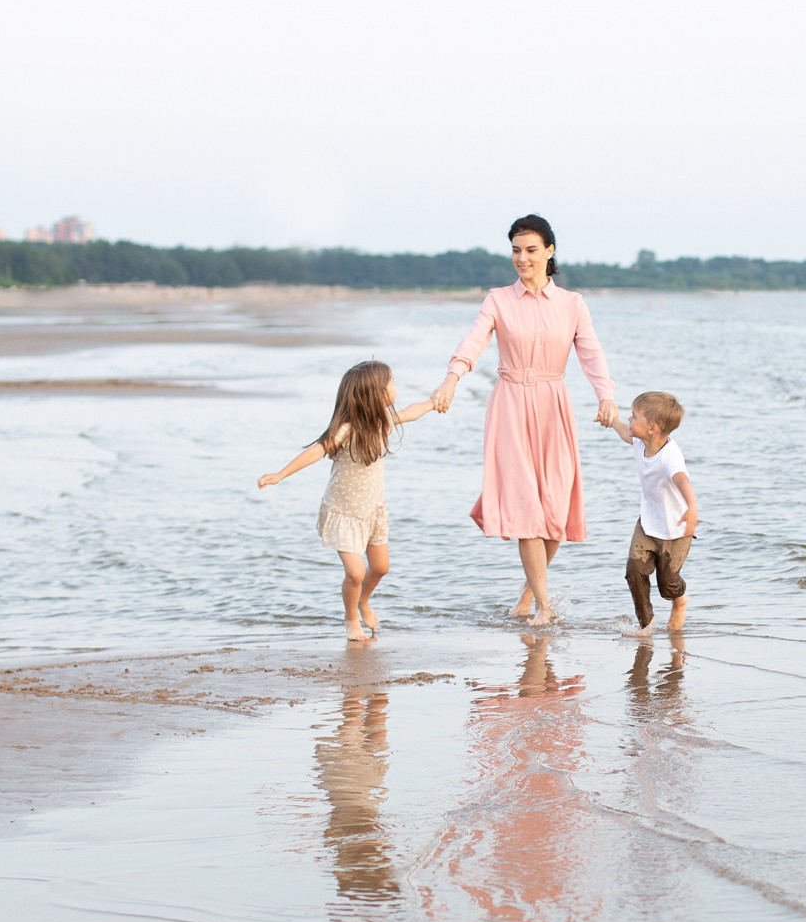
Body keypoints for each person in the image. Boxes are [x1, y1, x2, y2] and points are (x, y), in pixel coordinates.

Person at [429, 215, 616, 626]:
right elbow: (474, 340)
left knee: (554, 513)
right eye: (516, 250)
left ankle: (528, 595)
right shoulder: (498, 299)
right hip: (510, 406)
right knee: (528, 510)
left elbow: (591, 354)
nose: (522, 258)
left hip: (554, 405)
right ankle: (546, 609)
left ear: (550, 251)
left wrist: (606, 397)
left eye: (531, 249)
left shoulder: (573, 304)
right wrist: (451, 379)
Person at [258, 360, 432, 643]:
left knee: (380, 568)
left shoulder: (382, 422)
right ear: (373, 394)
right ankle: (351, 617)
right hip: (344, 512)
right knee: (355, 572)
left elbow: (411, 412)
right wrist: (280, 475)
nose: (395, 388)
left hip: (373, 511)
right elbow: (316, 451)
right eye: (391, 384)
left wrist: (434, 401)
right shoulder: (346, 430)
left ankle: (363, 601)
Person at [602, 391, 699, 635]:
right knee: (634, 571)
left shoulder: (669, 456)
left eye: (634, 417)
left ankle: (680, 600)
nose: (630, 420)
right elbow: (626, 432)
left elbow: (682, 480)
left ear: (653, 428)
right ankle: (646, 623)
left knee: (667, 584)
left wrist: (692, 508)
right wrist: (611, 418)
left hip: (675, 529)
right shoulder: (641, 441)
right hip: (647, 523)